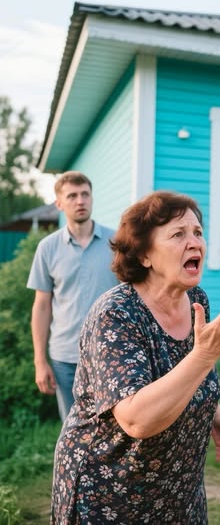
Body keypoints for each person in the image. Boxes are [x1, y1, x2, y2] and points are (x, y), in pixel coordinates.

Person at [50, 190, 220, 524]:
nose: (195, 243)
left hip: (177, 488)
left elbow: (193, 367)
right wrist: (205, 354)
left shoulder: (195, 298)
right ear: (145, 255)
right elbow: (137, 420)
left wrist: (214, 414)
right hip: (109, 490)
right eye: (178, 234)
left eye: (198, 233)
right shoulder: (116, 313)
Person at [27, 171, 119, 421]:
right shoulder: (48, 248)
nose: (80, 201)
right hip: (65, 358)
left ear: (92, 198)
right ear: (59, 203)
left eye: (85, 194)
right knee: (73, 428)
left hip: (111, 354)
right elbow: (42, 306)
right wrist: (39, 361)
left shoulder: (116, 243)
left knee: (114, 429)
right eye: (72, 196)